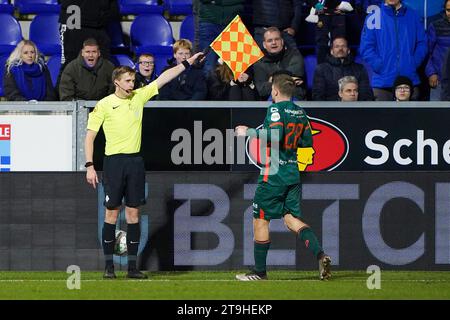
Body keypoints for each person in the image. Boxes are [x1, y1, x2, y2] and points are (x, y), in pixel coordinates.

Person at [84, 51, 205, 279]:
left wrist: (187, 63)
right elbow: (90, 136)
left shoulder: (139, 97)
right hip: (114, 163)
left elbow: (164, 78)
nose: (132, 83)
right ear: (117, 82)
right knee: (111, 215)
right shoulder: (104, 105)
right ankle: (109, 268)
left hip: (135, 162)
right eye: (128, 80)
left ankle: (132, 268)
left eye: (133, 80)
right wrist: (90, 165)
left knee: (133, 214)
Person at [234, 73, 332, 281]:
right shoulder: (300, 112)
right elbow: (307, 143)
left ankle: (260, 272)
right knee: (290, 219)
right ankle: (321, 255)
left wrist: (248, 132)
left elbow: (276, 136)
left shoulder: (275, 109)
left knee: (261, 219)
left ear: (275, 91)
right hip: (292, 173)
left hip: (274, 174)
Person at [359, 0, 427, 101]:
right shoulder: (374, 16)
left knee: (410, 117)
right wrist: (380, 66)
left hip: (408, 81)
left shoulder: (413, 15)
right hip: (383, 82)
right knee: (383, 117)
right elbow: (366, 47)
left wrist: (412, 63)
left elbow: (422, 43)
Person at [59, 0, 120, 67]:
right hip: (74, 21)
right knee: (70, 64)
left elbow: (113, 10)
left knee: (105, 66)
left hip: (100, 25)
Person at [312, 36, 373, 101]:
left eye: (343, 46)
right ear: (331, 51)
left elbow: (365, 94)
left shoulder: (360, 68)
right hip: (330, 109)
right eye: (337, 46)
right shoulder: (321, 69)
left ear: (348, 50)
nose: (340, 49)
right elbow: (318, 95)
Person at [253, 27, 306, 101]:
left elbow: (297, 79)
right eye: (269, 40)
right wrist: (287, 80)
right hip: (270, 99)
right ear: (264, 45)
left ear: (282, 41)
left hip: (293, 96)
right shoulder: (259, 62)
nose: (274, 43)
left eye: (277, 39)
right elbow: (261, 90)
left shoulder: (294, 55)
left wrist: (273, 79)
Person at [198, 0, 245, 75]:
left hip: (233, 22)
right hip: (209, 22)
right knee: (208, 66)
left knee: (235, 67)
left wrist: (215, 2)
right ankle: (209, 86)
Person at [425, 0, 450, 101]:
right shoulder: (435, 26)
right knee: (438, 115)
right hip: (439, 80)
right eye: (449, 10)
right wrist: (431, 73)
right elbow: (427, 52)